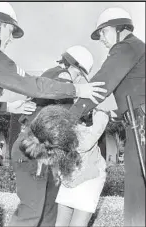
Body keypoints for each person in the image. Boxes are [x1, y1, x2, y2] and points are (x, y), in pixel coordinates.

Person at [0, 2, 107, 226]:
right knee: (8, 210)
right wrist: (79, 92)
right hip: (32, 150)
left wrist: (4, 108)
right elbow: (33, 86)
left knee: (41, 208)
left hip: (20, 146)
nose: (9, 39)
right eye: (8, 30)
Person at [8, 45, 117, 227]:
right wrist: (99, 112)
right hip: (36, 148)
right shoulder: (62, 77)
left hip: (43, 150)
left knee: (47, 211)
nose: (81, 79)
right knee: (33, 212)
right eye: (81, 74)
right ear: (75, 68)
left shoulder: (54, 84)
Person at [69, 7, 145, 226]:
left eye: (103, 32)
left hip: (140, 124)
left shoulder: (126, 47)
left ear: (119, 29)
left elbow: (100, 85)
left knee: (137, 186)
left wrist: (67, 118)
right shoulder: (137, 49)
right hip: (135, 120)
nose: (100, 38)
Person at [18, 104, 109, 227]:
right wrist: (65, 178)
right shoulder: (50, 139)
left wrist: (99, 109)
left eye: (42, 158)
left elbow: (102, 119)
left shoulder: (83, 142)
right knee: (60, 223)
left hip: (90, 178)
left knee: (78, 224)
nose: (44, 163)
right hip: (70, 178)